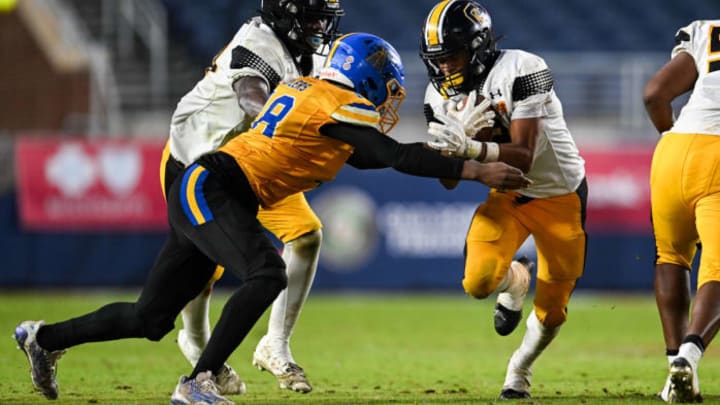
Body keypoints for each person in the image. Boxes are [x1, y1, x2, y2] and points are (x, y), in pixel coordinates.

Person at [14, 32, 531, 405]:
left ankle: (44, 339)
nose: (386, 97)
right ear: (367, 77)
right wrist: (477, 169)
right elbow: (394, 156)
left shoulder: (313, 94)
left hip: (212, 191)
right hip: (212, 186)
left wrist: (469, 160)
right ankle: (197, 383)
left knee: (151, 319)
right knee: (267, 272)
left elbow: (372, 155)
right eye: (384, 85)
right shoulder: (338, 102)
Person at [161, 0, 344, 394]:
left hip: (253, 163)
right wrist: (284, 126)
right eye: (311, 17)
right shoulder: (257, 44)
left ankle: (275, 344)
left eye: (323, 19)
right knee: (202, 268)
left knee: (307, 235)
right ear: (284, 13)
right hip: (198, 162)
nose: (319, 27)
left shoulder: (311, 52)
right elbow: (250, 95)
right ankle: (196, 342)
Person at [420, 0, 587, 399]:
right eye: (437, 59)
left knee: (552, 311)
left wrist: (472, 148)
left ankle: (519, 370)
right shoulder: (437, 97)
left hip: (559, 193)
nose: (444, 67)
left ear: (478, 46)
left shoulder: (523, 69)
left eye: (453, 55)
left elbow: (525, 154)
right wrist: (453, 147)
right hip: (507, 193)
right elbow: (447, 183)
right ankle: (517, 278)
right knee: (477, 282)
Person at [643, 19, 720, 404]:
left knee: (671, 256)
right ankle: (689, 356)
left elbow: (654, 94)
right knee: (719, 271)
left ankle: (673, 368)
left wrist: (670, 139)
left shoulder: (708, 29)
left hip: (673, 151)